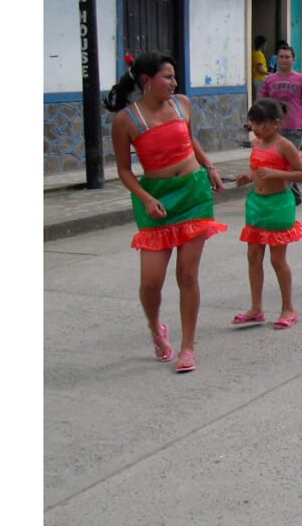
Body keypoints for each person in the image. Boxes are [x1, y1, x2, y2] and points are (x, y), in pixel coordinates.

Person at [104, 52, 228, 374]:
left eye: (174, 77)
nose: (174, 83)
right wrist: (145, 198)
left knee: (187, 275)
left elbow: (190, 139)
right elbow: (123, 169)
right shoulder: (126, 120)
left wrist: (209, 166)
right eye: (168, 77)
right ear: (147, 81)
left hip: (194, 195)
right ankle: (156, 327)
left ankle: (188, 346)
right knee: (150, 283)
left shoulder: (181, 104)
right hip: (156, 202)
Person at [232, 99, 302, 330]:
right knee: (253, 257)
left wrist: (275, 173)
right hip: (256, 204)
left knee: (277, 259)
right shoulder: (257, 143)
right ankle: (256, 308)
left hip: (279, 204)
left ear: (276, 124)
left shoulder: (284, 145)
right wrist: (248, 178)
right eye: (253, 123)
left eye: (261, 124)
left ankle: (288, 307)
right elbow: (257, 171)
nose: (256, 129)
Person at [260, 44, 302, 204]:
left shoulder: (301, 79)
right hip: (273, 129)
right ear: (277, 59)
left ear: (293, 60)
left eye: (287, 57)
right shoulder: (269, 80)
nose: (284, 60)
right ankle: (295, 195)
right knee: (278, 163)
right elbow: (261, 103)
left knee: (289, 163)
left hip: (295, 127)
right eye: (281, 57)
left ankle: (283, 196)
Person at [252, 35, 269, 101]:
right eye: (265, 44)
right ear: (262, 45)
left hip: (258, 78)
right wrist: (269, 73)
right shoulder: (259, 54)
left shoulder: (254, 53)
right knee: (260, 98)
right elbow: (259, 69)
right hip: (260, 78)